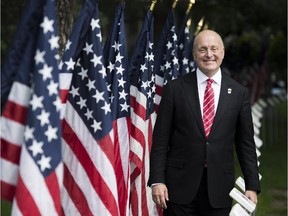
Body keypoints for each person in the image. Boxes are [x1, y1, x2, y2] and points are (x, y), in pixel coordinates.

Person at [148, 29, 260, 216]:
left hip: (219, 189)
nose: (209, 54)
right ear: (194, 54)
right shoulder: (174, 89)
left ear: (222, 52)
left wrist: (252, 185)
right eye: (203, 49)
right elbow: (160, 141)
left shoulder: (239, 93)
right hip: (178, 188)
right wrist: (157, 181)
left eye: (214, 48)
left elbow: (245, 144)